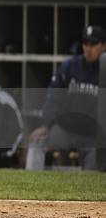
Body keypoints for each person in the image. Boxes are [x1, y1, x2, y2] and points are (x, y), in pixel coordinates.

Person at [26, 26, 105, 171]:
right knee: (37, 141)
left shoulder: (104, 70)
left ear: (103, 46)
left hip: (93, 136)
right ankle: (28, 186)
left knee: (93, 178)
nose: (88, 48)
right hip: (65, 129)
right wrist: (46, 125)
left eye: (93, 44)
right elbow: (53, 96)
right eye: (85, 43)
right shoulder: (70, 66)